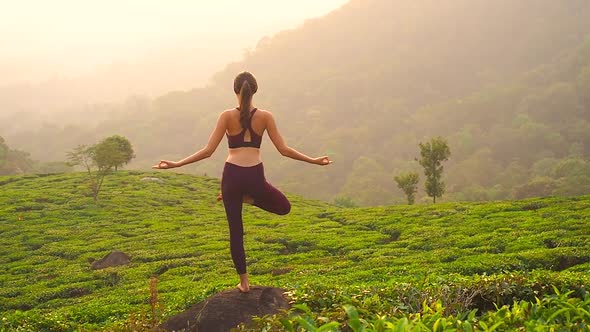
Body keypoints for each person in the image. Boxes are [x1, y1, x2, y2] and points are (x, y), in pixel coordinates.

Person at [153, 71, 332, 292]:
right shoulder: (265, 116)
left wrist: (177, 164)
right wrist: (314, 161)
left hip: (232, 177)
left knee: (235, 232)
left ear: (235, 90)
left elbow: (208, 151)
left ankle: (244, 283)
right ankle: (250, 199)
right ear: (254, 90)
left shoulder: (226, 116)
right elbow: (284, 150)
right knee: (284, 207)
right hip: (255, 175)